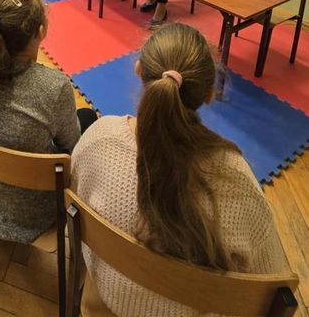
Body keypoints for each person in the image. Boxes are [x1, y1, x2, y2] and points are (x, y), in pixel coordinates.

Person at [71, 23, 286, 316]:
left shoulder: (99, 138)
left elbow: (74, 205)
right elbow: (272, 284)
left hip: (107, 302)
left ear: (139, 70)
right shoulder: (236, 180)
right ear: (209, 94)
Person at [0, 0, 97, 244]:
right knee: (88, 117)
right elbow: (72, 146)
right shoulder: (54, 86)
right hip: (33, 212)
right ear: (41, 31)